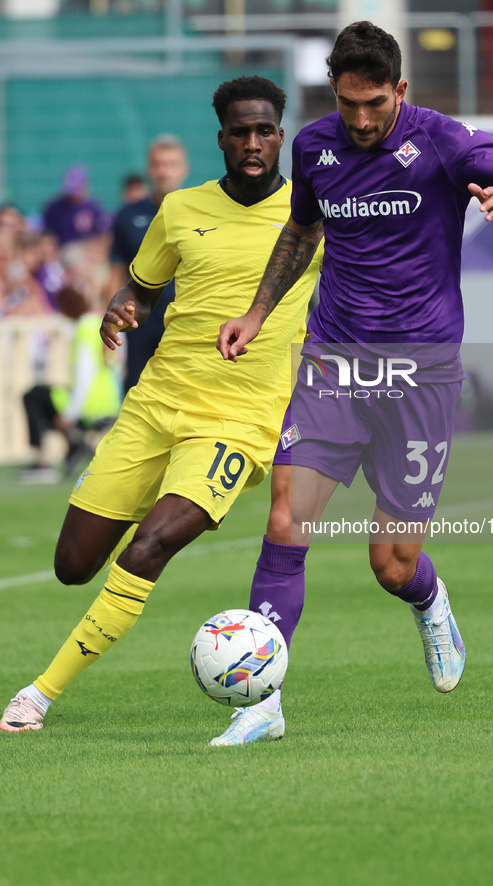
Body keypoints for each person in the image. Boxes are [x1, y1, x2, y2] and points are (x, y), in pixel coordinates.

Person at [216, 21, 493, 746]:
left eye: (373, 103)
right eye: (346, 104)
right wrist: (257, 312)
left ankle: (430, 600)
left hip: (420, 373)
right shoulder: (314, 147)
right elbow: (301, 232)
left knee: (391, 563)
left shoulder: (443, 139)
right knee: (286, 520)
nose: (358, 119)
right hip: (333, 360)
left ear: (399, 90)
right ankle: (261, 701)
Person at [0, 76, 322, 735]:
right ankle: (156, 489)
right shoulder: (180, 210)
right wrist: (124, 308)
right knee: (72, 566)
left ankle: (37, 696)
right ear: (222, 139)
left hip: (237, 424)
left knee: (147, 549)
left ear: (281, 136)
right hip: (156, 406)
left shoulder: (310, 216)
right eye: (240, 132)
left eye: (265, 131)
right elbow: (142, 288)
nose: (253, 143)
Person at [108, 136, 189, 391]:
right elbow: (116, 273)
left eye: (171, 164)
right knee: (136, 395)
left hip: (187, 324)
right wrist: (110, 324)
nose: (164, 171)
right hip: (139, 322)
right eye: (158, 164)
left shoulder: (199, 212)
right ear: (149, 169)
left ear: (184, 169)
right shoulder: (128, 215)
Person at [20, 285, 122, 484]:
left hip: (90, 404)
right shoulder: (100, 324)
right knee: (45, 395)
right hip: (110, 400)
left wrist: (69, 414)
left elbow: (85, 376)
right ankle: (71, 446)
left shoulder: (84, 329)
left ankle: (42, 461)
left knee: (33, 396)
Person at [43, 164, 111, 248]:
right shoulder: (54, 208)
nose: (73, 195)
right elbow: (46, 233)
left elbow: (102, 234)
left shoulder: (93, 208)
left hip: (87, 251)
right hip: (60, 251)